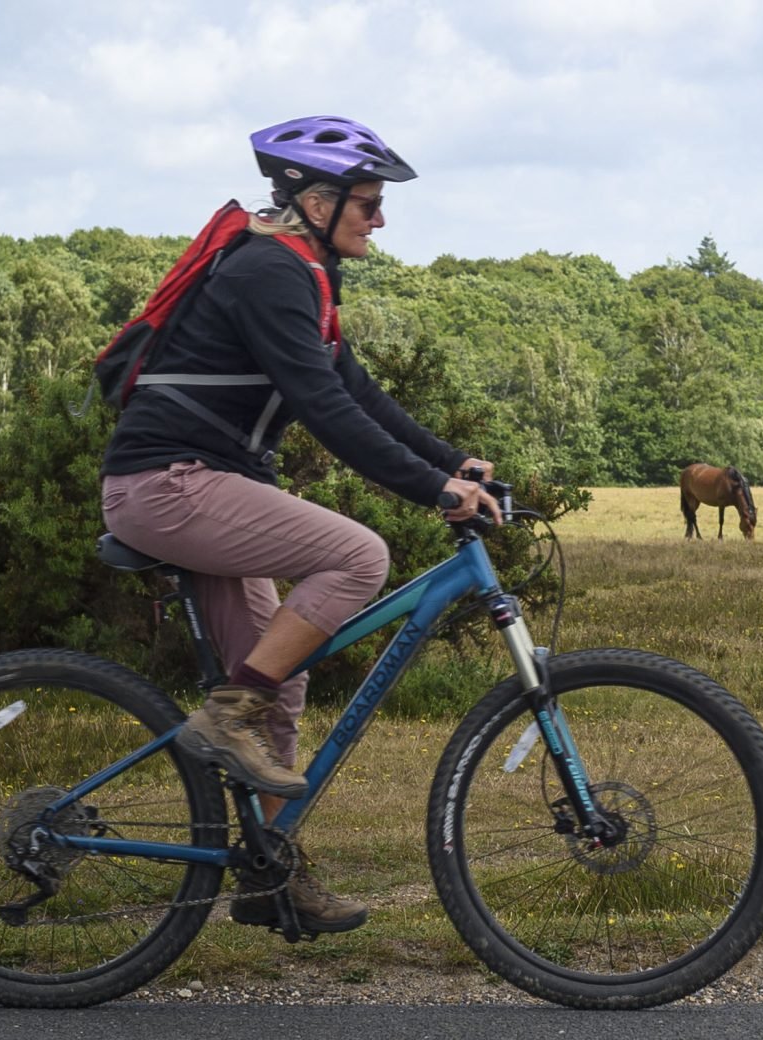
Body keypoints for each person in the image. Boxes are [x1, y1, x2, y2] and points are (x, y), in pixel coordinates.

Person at [99, 116, 502, 932]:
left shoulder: (308, 276)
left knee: (281, 683)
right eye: (368, 202)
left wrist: (450, 462)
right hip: (167, 485)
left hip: (204, 484)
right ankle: (223, 718)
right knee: (358, 554)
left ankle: (268, 871)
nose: (379, 219)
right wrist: (431, 492)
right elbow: (320, 409)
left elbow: (355, 391)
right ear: (315, 201)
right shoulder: (267, 273)